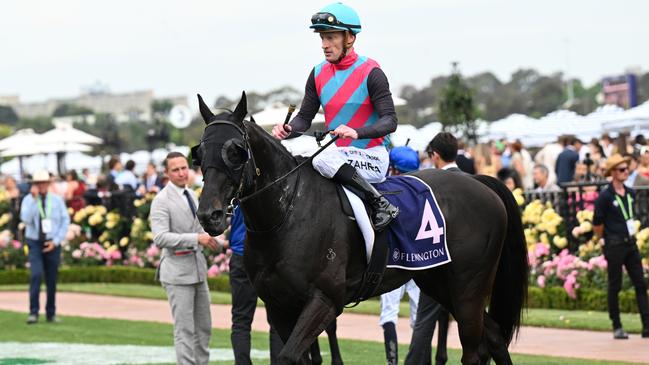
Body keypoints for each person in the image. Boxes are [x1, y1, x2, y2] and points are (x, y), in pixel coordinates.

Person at [272, 2, 399, 231]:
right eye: (322, 38)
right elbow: (304, 118)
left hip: (371, 156)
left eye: (331, 38)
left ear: (350, 38)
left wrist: (356, 132)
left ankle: (380, 202)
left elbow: (390, 120)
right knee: (288, 151)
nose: (324, 45)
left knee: (320, 157)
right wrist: (290, 129)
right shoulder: (318, 73)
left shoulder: (371, 72)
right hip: (337, 154)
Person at [150, 152, 219, 364]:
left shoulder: (192, 194)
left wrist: (216, 237)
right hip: (177, 273)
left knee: (204, 328)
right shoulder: (161, 201)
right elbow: (160, 237)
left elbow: (201, 230)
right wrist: (196, 238)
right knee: (185, 331)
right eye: (175, 170)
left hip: (198, 270)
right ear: (167, 173)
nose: (181, 173)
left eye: (183, 168)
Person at [403, 132, 464, 365]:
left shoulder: (430, 185)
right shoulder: (472, 181)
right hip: (469, 265)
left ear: (435, 156)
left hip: (437, 262)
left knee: (424, 320)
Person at [593, 153, 649, 339]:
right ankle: (617, 325)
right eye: (621, 169)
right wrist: (605, 239)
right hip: (614, 244)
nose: (626, 172)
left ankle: (647, 326)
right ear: (613, 173)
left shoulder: (631, 193)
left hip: (630, 243)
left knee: (640, 284)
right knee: (615, 285)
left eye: (626, 168)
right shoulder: (605, 196)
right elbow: (597, 223)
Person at [379, 145, 421, 365]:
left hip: (394, 259)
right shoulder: (422, 190)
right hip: (421, 258)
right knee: (419, 317)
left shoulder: (385, 188)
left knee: (389, 313)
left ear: (393, 168)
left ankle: (392, 362)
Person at [228, 203, 283, 364]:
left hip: (241, 254)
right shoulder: (270, 184)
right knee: (278, 319)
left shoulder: (236, 185)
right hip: (269, 257)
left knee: (241, 319)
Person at [20, 170, 70, 324]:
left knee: (51, 279)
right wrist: (35, 201)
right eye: (38, 183)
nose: (41, 186)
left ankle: (51, 312)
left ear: (48, 184)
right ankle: (33, 312)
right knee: (36, 275)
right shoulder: (28, 200)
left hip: (52, 242)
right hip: (34, 241)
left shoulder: (56, 200)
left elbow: (65, 220)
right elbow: (26, 219)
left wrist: (56, 241)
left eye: (44, 183)